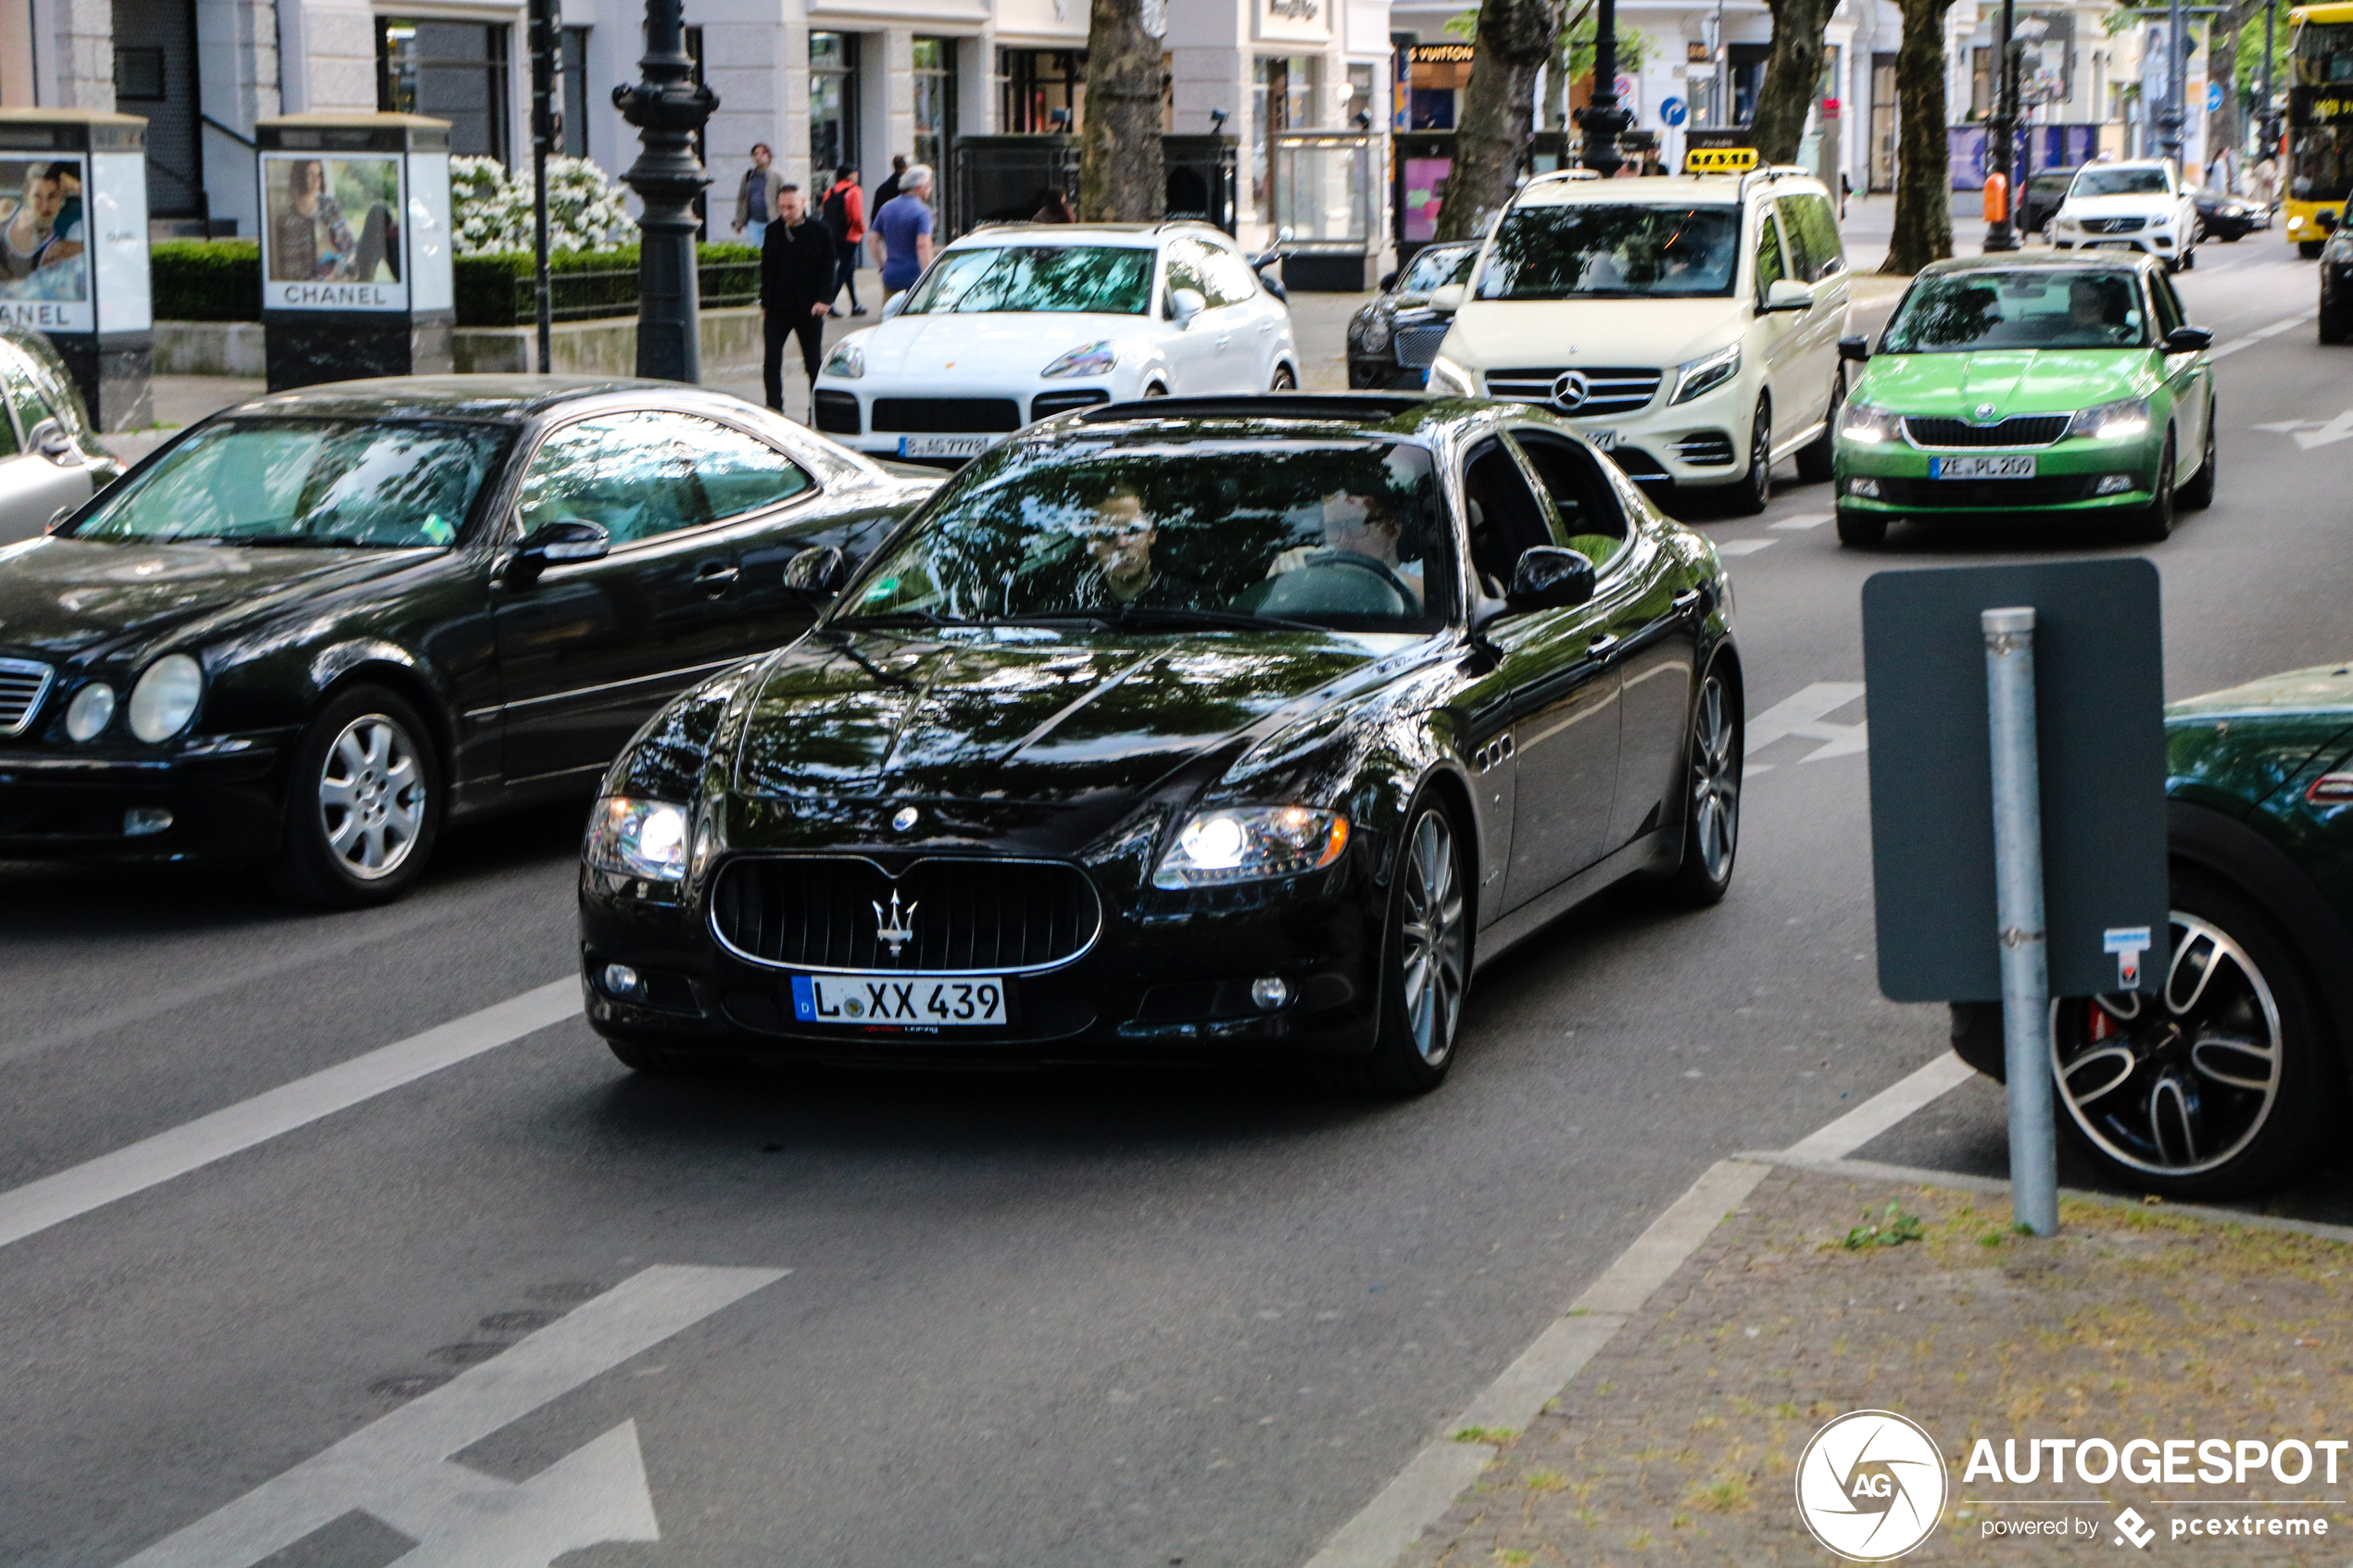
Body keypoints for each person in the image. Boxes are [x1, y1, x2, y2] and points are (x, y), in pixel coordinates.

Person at [761, 184, 837, 417]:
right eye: (782, 207)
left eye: (791, 207)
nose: (786, 212)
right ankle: (774, 411)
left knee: (813, 364)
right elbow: (766, 267)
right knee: (771, 362)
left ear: (803, 203)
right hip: (777, 308)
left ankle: (816, 414)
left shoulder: (820, 230)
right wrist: (765, 301)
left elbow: (829, 267)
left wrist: (824, 299)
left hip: (809, 309)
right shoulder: (773, 230)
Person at [1080, 485, 1205, 608]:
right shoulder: (1071, 600)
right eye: (1107, 533)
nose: (1122, 543)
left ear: (1150, 534)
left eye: (1132, 530)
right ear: (1091, 543)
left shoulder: (1192, 602)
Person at [271, 158, 356, 282]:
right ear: (299, 178)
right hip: (314, 284)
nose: (316, 179)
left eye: (318, 174)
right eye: (310, 174)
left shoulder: (330, 206)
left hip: (342, 273)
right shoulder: (288, 219)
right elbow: (291, 269)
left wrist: (341, 267)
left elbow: (349, 245)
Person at [869, 162, 936, 301]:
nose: (930, 189)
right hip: (915, 276)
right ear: (919, 188)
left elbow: (872, 239)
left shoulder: (886, 208)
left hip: (891, 275)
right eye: (928, 186)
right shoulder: (922, 211)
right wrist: (928, 275)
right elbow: (923, 244)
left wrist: (882, 265)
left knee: (891, 316)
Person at [819, 165, 868, 316]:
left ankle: (855, 304)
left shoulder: (829, 191)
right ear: (849, 175)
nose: (857, 175)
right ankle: (829, 302)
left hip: (832, 234)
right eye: (855, 173)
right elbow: (857, 216)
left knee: (848, 270)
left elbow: (823, 211)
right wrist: (862, 231)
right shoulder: (854, 191)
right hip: (850, 235)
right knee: (843, 270)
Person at [733, 144, 784, 248]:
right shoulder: (748, 176)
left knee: (771, 250)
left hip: (772, 221)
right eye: (755, 154)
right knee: (755, 250)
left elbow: (784, 197)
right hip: (753, 223)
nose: (758, 157)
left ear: (769, 156)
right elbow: (741, 199)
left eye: (762, 153)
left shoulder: (777, 176)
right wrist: (739, 222)